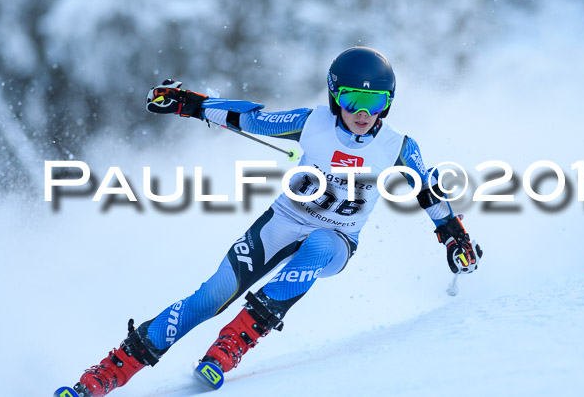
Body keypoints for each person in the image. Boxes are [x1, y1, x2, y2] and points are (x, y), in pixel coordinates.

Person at [66, 47, 483, 397]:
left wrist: (453, 237)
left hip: (337, 239)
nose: (363, 113)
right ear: (336, 96)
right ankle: (107, 374)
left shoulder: (398, 146)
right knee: (210, 296)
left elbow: (430, 191)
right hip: (282, 221)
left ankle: (233, 343)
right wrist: (190, 104)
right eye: (353, 100)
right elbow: (249, 119)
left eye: (374, 104)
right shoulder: (312, 122)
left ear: (387, 104)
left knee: (319, 244)